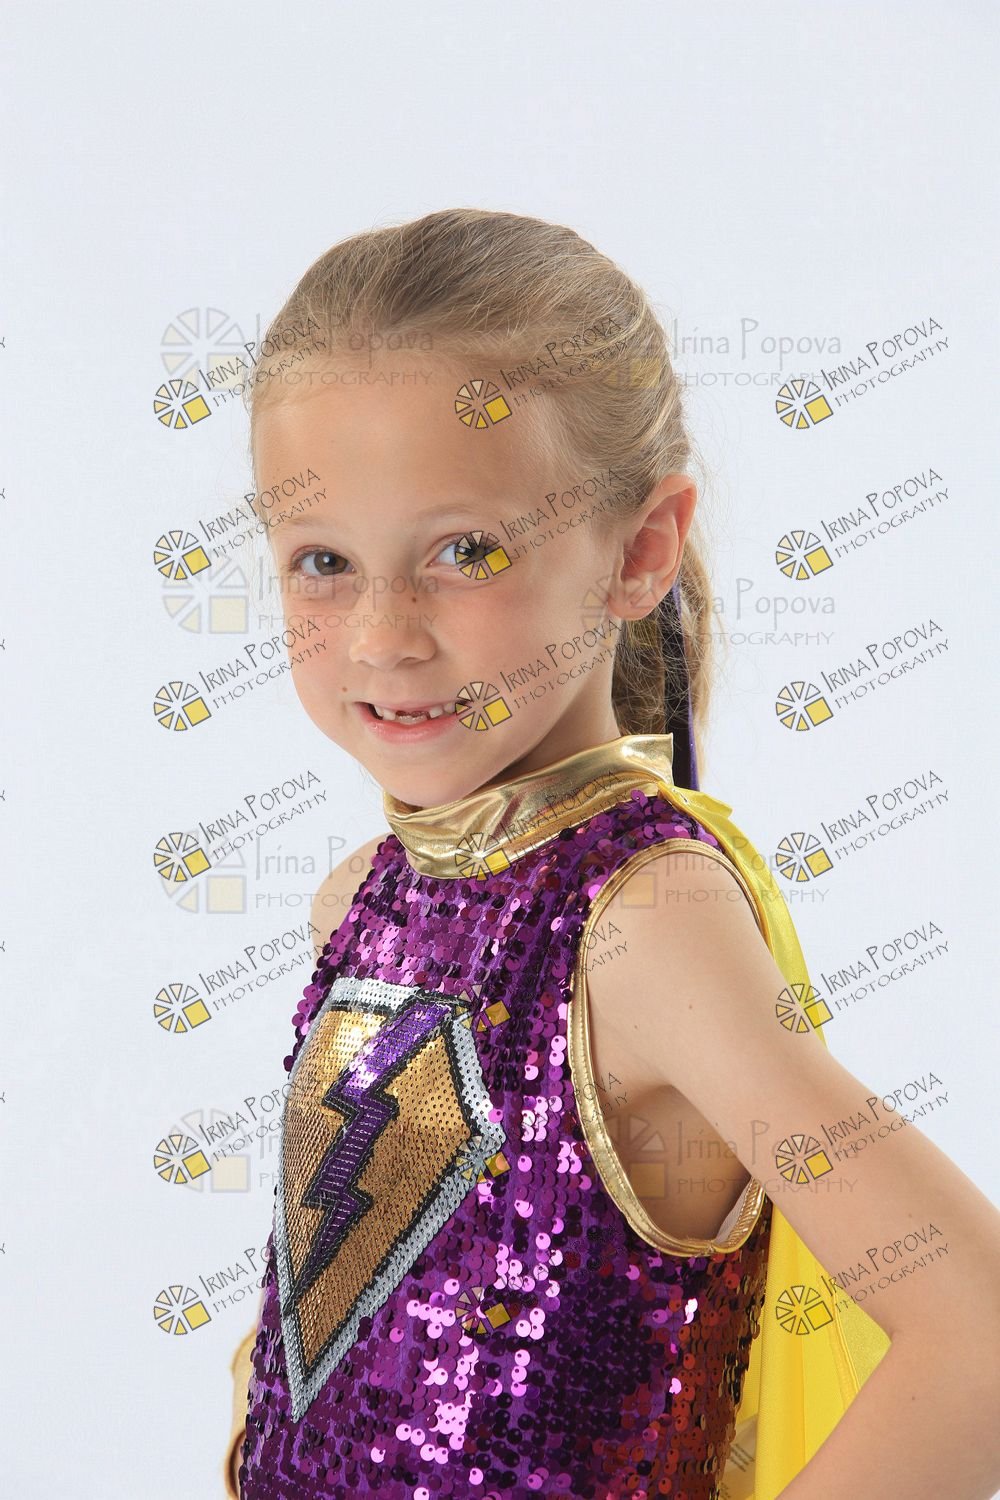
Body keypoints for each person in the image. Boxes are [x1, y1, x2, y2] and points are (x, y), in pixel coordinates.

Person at [222, 209, 1000, 1500]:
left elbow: (976, 1329)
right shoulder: (364, 903)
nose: (380, 634)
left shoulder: (638, 924)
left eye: (464, 551)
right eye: (323, 562)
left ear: (639, 552)